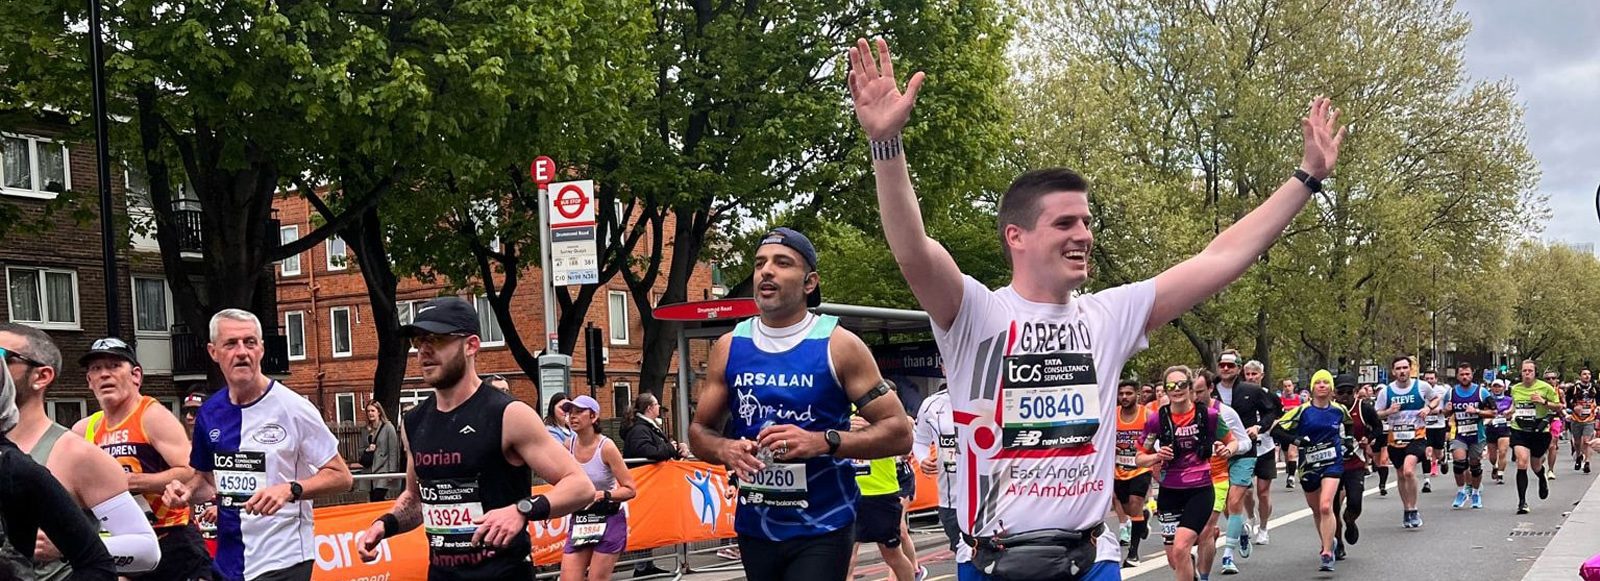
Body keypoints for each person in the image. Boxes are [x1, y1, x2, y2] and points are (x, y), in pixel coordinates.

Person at [851, 34, 1344, 580]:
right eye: (1065, 223)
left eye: (1086, 222)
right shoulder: (976, 314)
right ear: (1016, 236)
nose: (1083, 234)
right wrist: (886, 146)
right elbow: (913, 249)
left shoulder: (1108, 315)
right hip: (994, 563)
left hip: (1090, 561)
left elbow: (1222, 256)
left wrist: (1307, 178)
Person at [688, 226, 913, 581]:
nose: (767, 271)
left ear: (810, 282)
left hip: (823, 525)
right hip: (756, 523)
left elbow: (899, 433)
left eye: (782, 263)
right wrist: (726, 449)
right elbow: (699, 431)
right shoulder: (730, 346)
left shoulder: (839, 344)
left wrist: (823, 441)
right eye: (760, 263)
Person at [354, 298, 595, 580]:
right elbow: (417, 498)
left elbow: (581, 486)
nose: (423, 350)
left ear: (471, 345)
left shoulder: (508, 414)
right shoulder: (413, 421)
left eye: (437, 339)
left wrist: (522, 510)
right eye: (419, 341)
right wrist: (385, 525)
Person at [162, 309, 355, 581]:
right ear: (213, 352)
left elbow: (342, 477)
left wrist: (291, 489)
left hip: (284, 557)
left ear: (261, 349)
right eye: (231, 343)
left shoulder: (294, 408)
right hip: (230, 560)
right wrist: (184, 491)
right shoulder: (210, 412)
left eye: (250, 342)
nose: (242, 352)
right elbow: (205, 480)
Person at [0, 328, 160, 580]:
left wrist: (68, 544)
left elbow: (147, 551)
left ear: (41, 376)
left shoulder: (76, 454)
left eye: (2, 357)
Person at [71, 336, 218, 580]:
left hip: (170, 537)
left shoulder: (151, 415)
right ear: (89, 381)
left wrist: (129, 482)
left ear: (136, 375)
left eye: (114, 366)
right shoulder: (84, 429)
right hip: (123, 542)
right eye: (96, 369)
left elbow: (190, 470)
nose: (104, 374)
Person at [0, 347, 118, 580]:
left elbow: (102, 560)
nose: (103, 375)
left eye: (6, 356)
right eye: (96, 368)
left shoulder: (74, 452)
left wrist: (62, 546)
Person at [1137, 366, 1239, 581]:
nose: (1177, 390)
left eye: (1182, 385)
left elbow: (1233, 441)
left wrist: (1226, 450)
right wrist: (1156, 457)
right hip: (1169, 491)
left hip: (1200, 489)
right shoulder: (1157, 420)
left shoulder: (1209, 416)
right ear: (1165, 390)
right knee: (1175, 558)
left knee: (1181, 547)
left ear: (1190, 387)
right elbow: (1140, 457)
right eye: (1171, 386)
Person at [1273, 370, 1352, 572]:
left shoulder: (1339, 409)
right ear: (1313, 387)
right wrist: (1295, 440)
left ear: (1331, 388)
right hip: (1308, 466)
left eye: (1327, 382)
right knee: (1317, 510)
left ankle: (1327, 552)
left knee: (1326, 506)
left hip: (1333, 462)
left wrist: (1348, 442)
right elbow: (1276, 430)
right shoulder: (1302, 411)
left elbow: (1349, 425)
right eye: (1319, 383)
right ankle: (1327, 542)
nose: (1323, 386)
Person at [559, 396, 638, 581]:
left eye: (579, 412)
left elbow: (630, 489)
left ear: (593, 417)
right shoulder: (566, 446)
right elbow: (562, 481)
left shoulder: (607, 447)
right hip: (581, 520)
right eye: (570, 413)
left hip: (609, 519)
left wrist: (605, 494)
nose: (573, 417)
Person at [1210, 349, 1279, 560]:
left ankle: (1256, 533)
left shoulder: (1252, 390)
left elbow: (1272, 411)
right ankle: (1239, 530)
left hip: (1248, 449)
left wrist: (1259, 426)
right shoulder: (1210, 391)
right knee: (1226, 504)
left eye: (1230, 365)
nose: (1225, 369)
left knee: (1253, 494)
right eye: (1222, 365)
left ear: (1238, 369)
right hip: (1219, 453)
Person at [1189, 371, 1248, 580]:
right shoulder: (1174, 414)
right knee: (1184, 538)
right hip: (1185, 480)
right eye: (1191, 392)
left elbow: (1244, 442)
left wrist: (1228, 450)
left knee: (1206, 528)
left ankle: (1205, 576)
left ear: (1211, 389)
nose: (1195, 397)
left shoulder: (1224, 413)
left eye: (1199, 392)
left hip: (1217, 477)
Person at [621, 391, 686, 578]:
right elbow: (646, 451)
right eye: (657, 404)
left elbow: (659, 450)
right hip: (644, 483)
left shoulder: (648, 427)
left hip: (652, 484)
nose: (659, 407)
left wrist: (676, 450)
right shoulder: (640, 429)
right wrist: (669, 448)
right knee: (644, 522)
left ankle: (647, 565)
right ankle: (642, 567)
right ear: (649, 408)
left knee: (650, 522)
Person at [1374, 355, 1439, 528]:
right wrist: (1388, 411)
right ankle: (1407, 509)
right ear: (1393, 371)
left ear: (1410, 369)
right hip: (1395, 440)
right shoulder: (1386, 391)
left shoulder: (1422, 386)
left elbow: (1435, 398)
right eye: (1399, 369)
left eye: (1405, 368)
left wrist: (1427, 407)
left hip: (1416, 437)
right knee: (1401, 474)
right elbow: (1376, 413)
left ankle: (1414, 508)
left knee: (1409, 471)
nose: (1402, 371)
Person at [913, 384, 970, 569]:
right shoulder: (932, 404)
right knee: (962, 555)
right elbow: (920, 440)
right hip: (951, 501)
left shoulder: (991, 397)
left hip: (989, 498)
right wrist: (922, 459)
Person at [1331, 375, 1378, 561]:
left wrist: (1370, 437)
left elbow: (1378, 426)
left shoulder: (1363, 408)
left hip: (1355, 462)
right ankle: (1337, 543)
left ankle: (1350, 521)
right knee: (1332, 507)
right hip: (1332, 464)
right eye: (1340, 392)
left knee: (1355, 503)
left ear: (1355, 391)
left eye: (1349, 392)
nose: (1344, 396)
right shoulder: (1328, 409)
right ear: (1334, 392)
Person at [1508, 361, 1560, 514]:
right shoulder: (1515, 388)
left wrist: (1543, 402)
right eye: (1524, 370)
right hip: (1520, 429)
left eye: (1530, 370)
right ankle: (1522, 502)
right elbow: (1514, 406)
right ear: (1521, 372)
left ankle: (1542, 477)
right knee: (1522, 462)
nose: (1527, 373)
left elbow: (1558, 407)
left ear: (1535, 372)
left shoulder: (1546, 388)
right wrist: (1509, 412)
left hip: (1539, 430)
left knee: (1535, 465)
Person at [1112, 381, 1153, 567]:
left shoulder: (1147, 414)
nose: (1124, 397)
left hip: (1141, 468)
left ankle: (1133, 554)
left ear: (1137, 394)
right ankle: (1143, 518)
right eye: (1121, 394)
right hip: (1119, 469)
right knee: (1129, 510)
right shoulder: (1112, 415)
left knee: (1135, 503)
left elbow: (1159, 434)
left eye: (1129, 393)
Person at [1444, 362, 1495, 510]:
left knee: (1474, 466)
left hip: (1477, 434)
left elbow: (1493, 412)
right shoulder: (1451, 393)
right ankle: (1461, 491)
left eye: (1467, 374)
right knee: (1459, 463)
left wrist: (1477, 412)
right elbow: (1445, 412)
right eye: (1462, 374)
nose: (1465, 377)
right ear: (1457, 376)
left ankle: (1475, 493)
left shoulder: (1481, 392)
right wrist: (1446, 411)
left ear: (1472, 375)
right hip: (1458, 433)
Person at [361, 402, 402, 503]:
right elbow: (361, 449)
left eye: (373, 411)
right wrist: (367, 450)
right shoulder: (365, 430)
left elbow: (393, 450)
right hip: (369, 470)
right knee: (373, 500)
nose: (370, 413)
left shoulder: (388, 427)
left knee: (378, 496)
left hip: (383, 469)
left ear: (379, 412)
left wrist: (392, 472)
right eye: (368, 411)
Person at [1420, 369, 1449, 491]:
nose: (1429, 381)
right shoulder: (1420, 390)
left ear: (1436, 379)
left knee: (1438, 452)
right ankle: (1426, 481)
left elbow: (1448, 409)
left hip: (1439, 425)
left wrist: (1440, 411)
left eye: (1432, 378)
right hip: (1424, 426)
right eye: (1427, 378)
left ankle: (1443, 458)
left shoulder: (1443, 391)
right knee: (1426, 452)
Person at [1273, 376, 1302, 492]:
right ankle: (1290, 471)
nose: (1287, 388)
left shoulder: (1300, 399)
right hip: (1283, 430)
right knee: (1287, 455)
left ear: (1293, 386)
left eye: (1289, 386)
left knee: (1292, 454)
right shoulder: (1279, 400)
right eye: (1285, 386)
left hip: (1295, 429)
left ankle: (1291, 477)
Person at [1566, 369, 1596, 474]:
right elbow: (1566, 401)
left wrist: (1597, 408)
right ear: (1580, 376)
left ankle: (1587, 462)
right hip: (1576, 418)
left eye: (1589, 374)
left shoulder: (1595, 388)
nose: (1587, 376)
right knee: (1577, 442)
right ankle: (1578, 456)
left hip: (1589, 418)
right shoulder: (1573, 389)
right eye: (1584, 374)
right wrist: (1574, 407)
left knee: (1587, 441)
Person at [1544, 372, 1565, 478]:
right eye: (1548, 378)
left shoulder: (1559, 392)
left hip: (1555, 419)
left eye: (1553, 378)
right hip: (1542, 420)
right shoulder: (1539, 391)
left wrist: (1559, 407)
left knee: (1552, 445)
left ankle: (1550, 470)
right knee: (1542, 446)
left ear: (1557, 380)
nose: (1550, 380)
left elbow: (1564, 404)